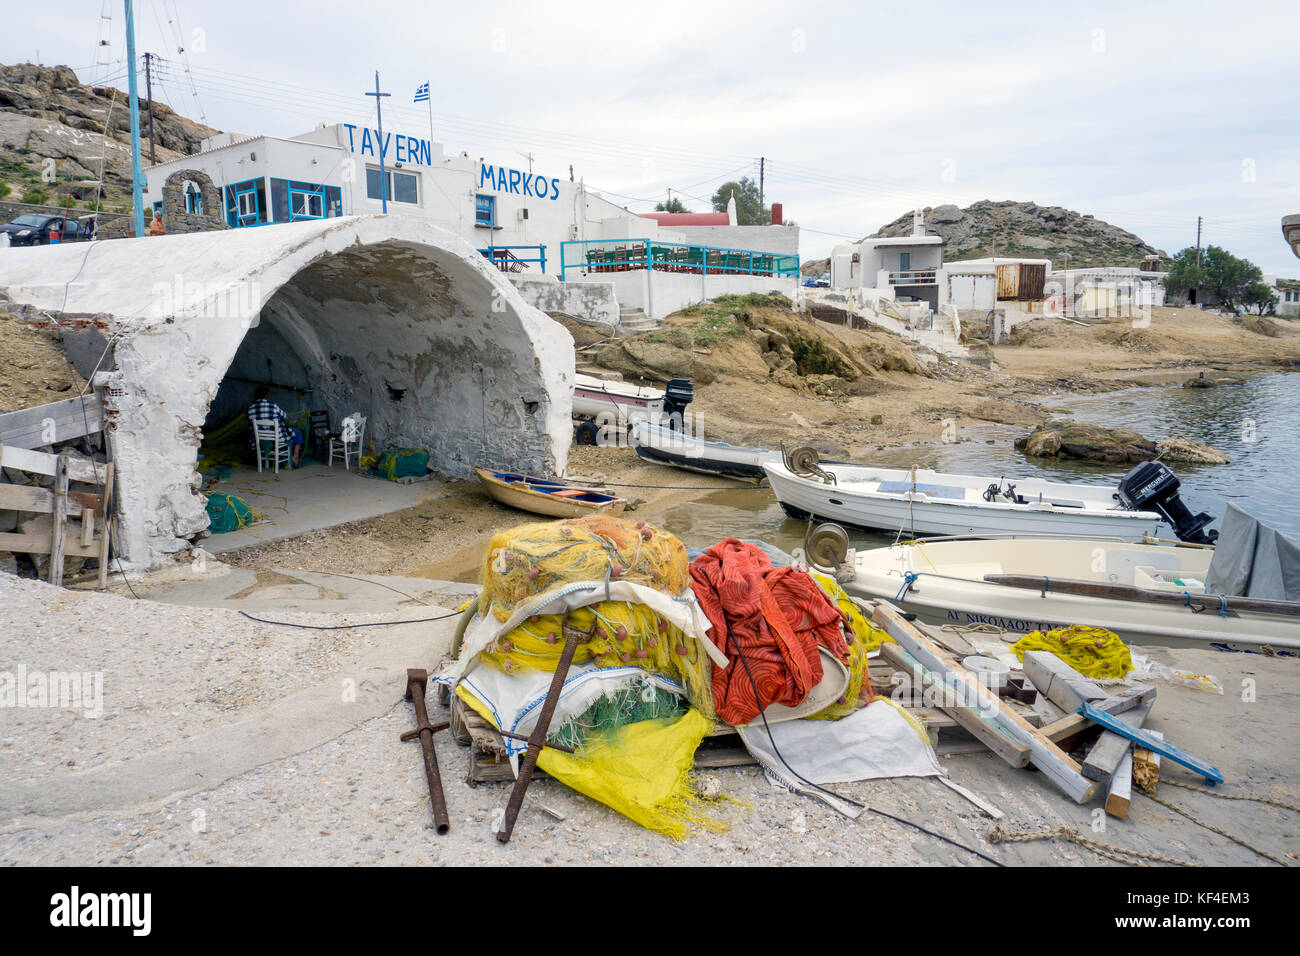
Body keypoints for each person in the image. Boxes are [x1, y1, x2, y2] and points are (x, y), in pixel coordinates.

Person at [246, 385, 303, 466]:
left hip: (259, 440)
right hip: (277, 439)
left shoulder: (250, 409)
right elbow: (285, 417)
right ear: (266, 396)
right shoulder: (273, 406)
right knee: (298, 432)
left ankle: (264, 461)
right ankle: (295, 457)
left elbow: (249, 425)